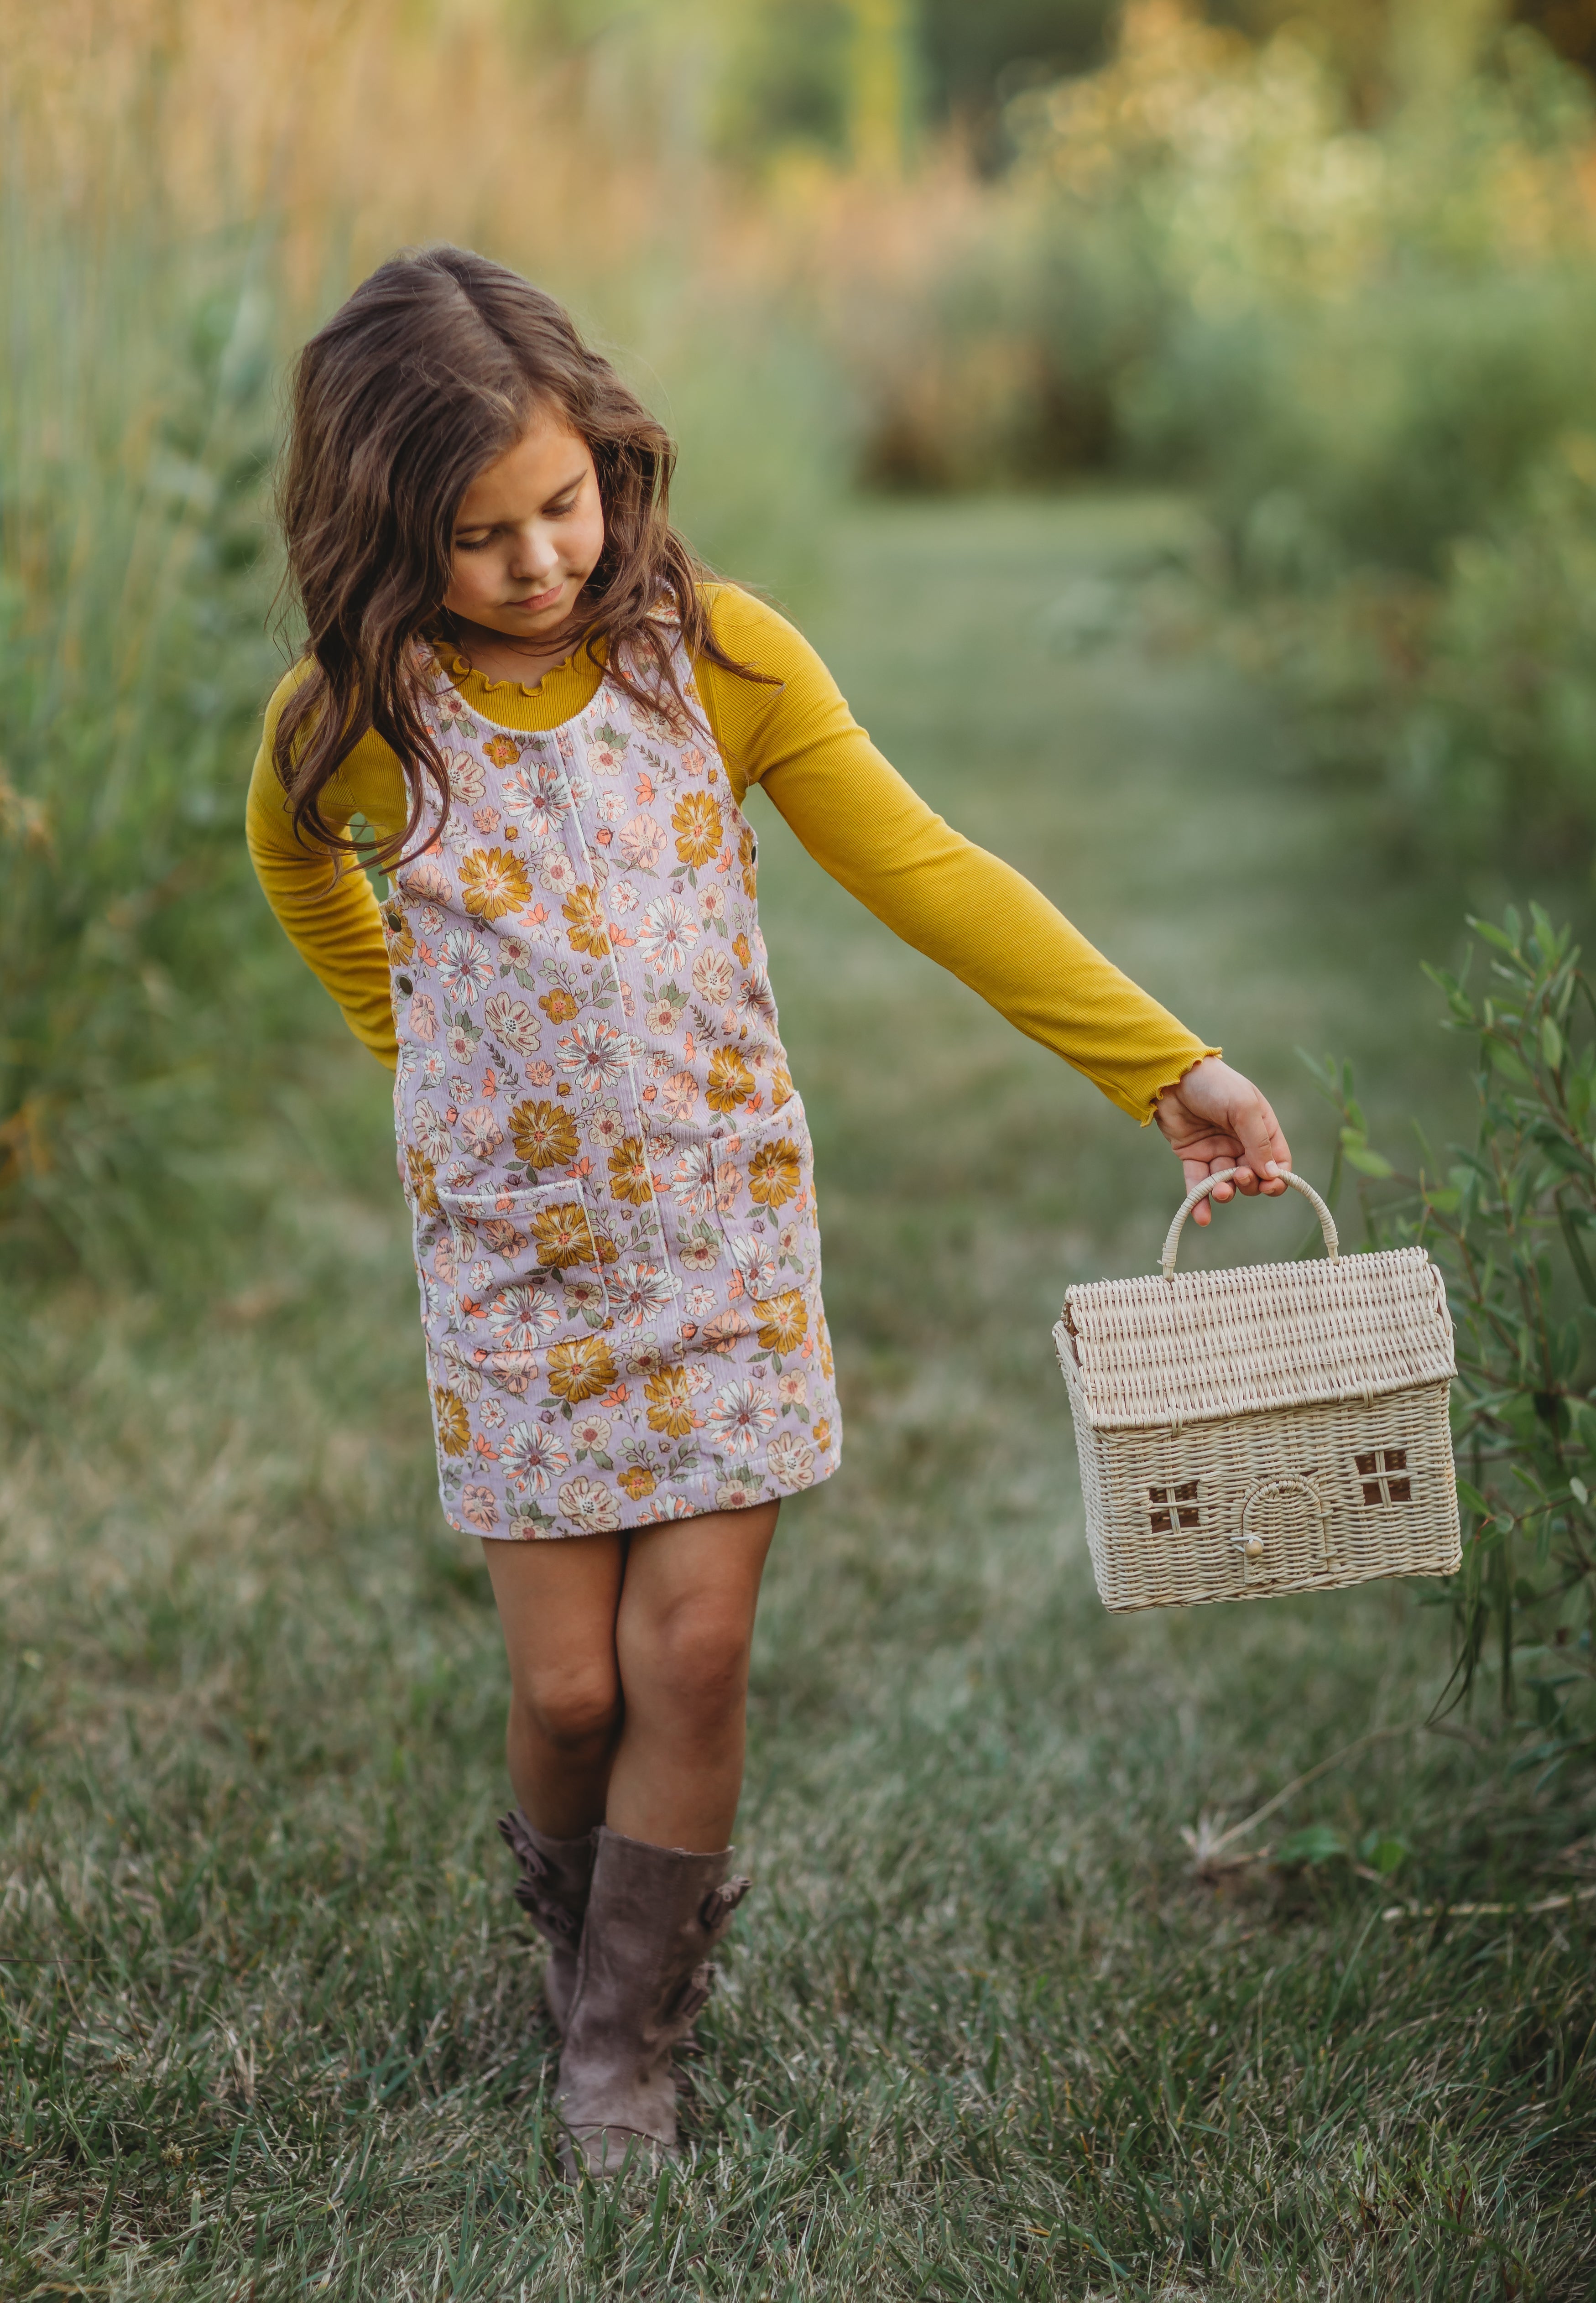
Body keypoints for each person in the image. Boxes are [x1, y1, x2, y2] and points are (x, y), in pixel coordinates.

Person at [245, 244, 1291, 2179]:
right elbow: (298, 862)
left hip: (718, 1239)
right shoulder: (362, 715)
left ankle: (625, 2032)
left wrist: (1165, 1064)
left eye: (561, 504)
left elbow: (925, 869)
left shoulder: (710, 657)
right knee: (565, 1688)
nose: (539, 560)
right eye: (478, 535)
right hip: (513, 1266)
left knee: (693, 1656)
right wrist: (413, 1041)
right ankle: (572, 1945)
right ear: (388, 530)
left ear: (608, 459)